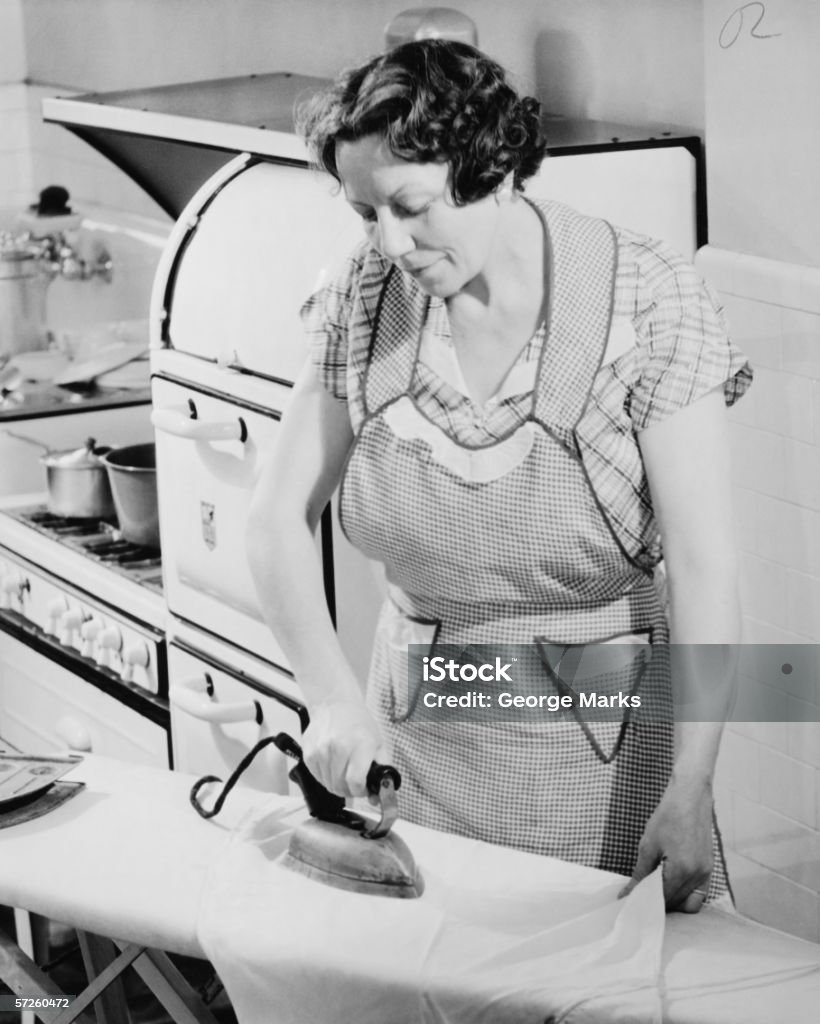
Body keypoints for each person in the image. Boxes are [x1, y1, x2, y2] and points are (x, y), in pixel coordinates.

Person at [246, 39, 752, 913]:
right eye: (367, 213)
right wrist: (331, 702)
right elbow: (274, 520)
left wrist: (694, 783)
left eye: (410, 206)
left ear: (495, 169)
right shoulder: (367, 298)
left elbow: (707, 568)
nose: (392, 242)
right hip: (417, 763)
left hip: (604, 764)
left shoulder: (646, 297)